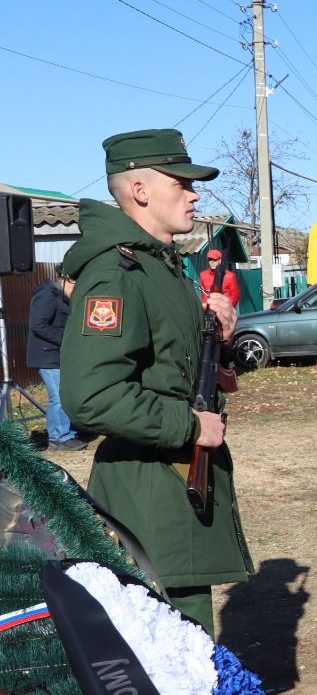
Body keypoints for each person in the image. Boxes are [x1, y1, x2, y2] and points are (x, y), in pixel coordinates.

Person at [61, 129, 248, 637]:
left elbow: (181, 372)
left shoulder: (162, 267)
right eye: (181, 183)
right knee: (171, 667)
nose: (194, 193)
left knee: (189, 653)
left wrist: (222, 337)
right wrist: (189, 427)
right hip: (148, 491)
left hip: (173, 482)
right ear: (140, 191)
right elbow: (90, 397)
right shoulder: (117, 274)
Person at [28, 270, 84, 451]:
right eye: (77, 284)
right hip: (47, 356)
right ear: (64, 279)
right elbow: (38, 325)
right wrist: (66, 338)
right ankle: (58, 437)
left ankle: (66, 432)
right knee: (58, 397)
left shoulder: (60, 295)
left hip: (57, 354)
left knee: (65, 395)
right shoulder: (47, 295)